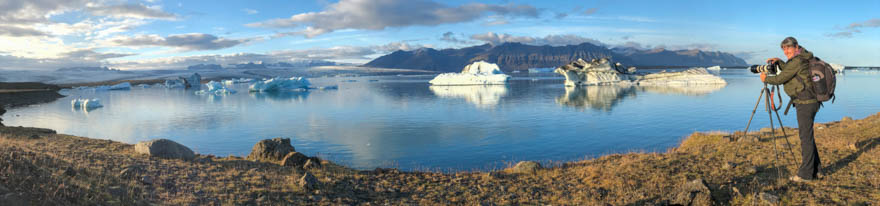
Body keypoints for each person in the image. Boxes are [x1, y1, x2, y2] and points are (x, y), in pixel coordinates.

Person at [761, 36, 821, 182]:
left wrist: (765, 79)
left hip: (805, 102)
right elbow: (790, 69)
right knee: (808, 136)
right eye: (783, 49)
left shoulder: (798, 60)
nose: (786, 51)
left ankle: (806, 175)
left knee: (805, 138)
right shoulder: (801, 58)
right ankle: (818, 170)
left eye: (788, 48)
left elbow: (781, 78)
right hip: (810, 101)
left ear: (795, 46)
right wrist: (779, 62)